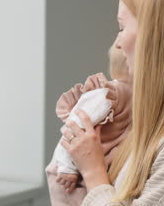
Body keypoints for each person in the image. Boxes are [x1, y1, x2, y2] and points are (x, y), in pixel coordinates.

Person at [49, 0, 164, 205]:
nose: (117, 42)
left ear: (153, 37)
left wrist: (93, 171)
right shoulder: (152, 123)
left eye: (122, 27)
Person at [46, 45, 132, 206]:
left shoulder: (137, 98)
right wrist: (66, 168)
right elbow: (72, 128)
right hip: (67, 171)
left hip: (86, 169)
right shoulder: (107, 96)